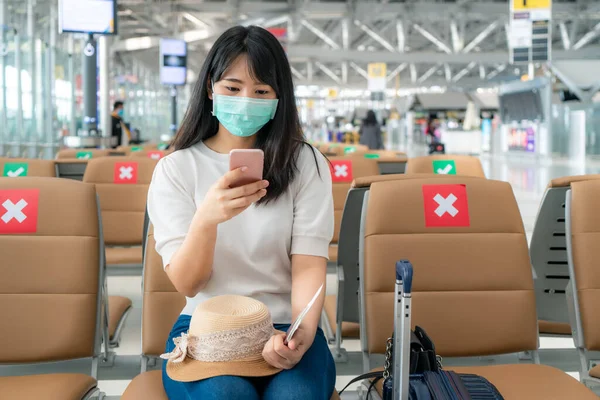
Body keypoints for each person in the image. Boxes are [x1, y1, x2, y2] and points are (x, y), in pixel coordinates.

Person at [147, 25, 336, 400]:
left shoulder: (306, 164)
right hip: (207, 326)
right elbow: (187, 283)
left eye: (261, 91)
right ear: (210, 89)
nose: (246, 99)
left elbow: (309, 263)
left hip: (288, 321)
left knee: (293, 396)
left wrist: (300, 335)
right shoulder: (176, 169)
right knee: (226, 395)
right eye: (232, 88)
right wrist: (206, 219)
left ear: (279, 98)